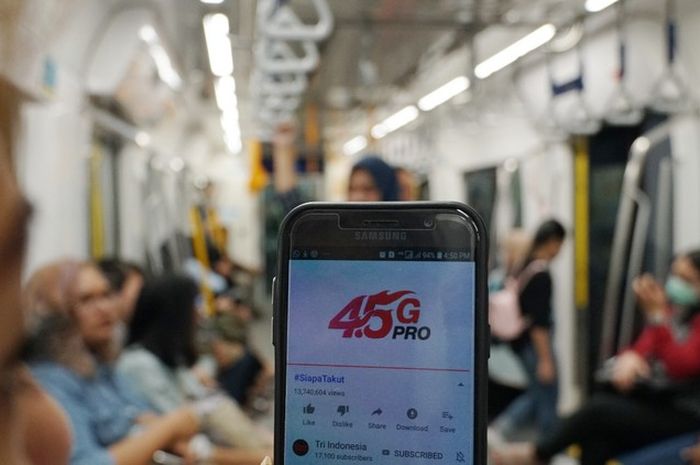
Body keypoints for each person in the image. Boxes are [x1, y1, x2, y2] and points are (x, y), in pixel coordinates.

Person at [494, 250, 700, 465]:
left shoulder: (674, 317)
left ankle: (538, 454)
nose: (676, 284)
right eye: (675, 275)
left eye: (686, 279)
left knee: (598, 410)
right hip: (658, 399)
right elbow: (644, 345)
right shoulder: (677, 312)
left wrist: (657, 318)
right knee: (596, 440)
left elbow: (683, 365)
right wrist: (631, 358)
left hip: (685, 411)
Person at [24, 260, 201, 465]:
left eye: (106, 295)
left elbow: (141, 414)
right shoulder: (48, 381)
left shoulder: (101, 367)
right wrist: (169, 428)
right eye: (86, 300)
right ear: (55, 315)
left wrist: (160, 434)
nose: (105, 308)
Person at [117, 274, 272, 463]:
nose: (199, 313)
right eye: (194, 305)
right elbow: (182, 426)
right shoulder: (138, 365)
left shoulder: (170, 359)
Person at [490, 220, 566, 440]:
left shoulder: (524, 266)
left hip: (520, 344)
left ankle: (501, 431)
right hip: (535, 346)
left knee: (537, 393)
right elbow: (539, 323)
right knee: (548, 394)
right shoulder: (541, 274)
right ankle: (544, 445)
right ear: (552, 242)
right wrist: (545, 359)